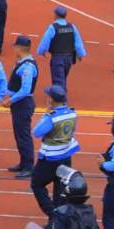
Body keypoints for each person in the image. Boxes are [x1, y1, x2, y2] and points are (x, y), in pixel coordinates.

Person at [30, 85, 80, 216]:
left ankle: (52, 214)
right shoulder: (72, 113)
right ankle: (60, 217)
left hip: (50, 158)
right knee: (60, 188)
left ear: (52, 100)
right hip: (66, 155)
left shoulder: (51, 117)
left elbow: (36, 132)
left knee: (37, 184)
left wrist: (46, 114)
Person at [3, 36, 38, 178]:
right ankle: (23, 163)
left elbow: (25, 89)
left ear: (19, 48)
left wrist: (10, 100)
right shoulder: (23, 63)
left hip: (23, 104)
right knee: (19, 134)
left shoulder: (27, 66)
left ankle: (28, 166)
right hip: (20, 103)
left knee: (23, 135)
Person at [36, 6, 86, 91]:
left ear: (55, 15)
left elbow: (45, 41)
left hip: (57, 58)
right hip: (69, 58)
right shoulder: (72, 26)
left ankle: (61, 100)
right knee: (63, 78)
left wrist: (41, 51)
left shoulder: (53, 27)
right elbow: (78, 42)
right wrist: (80, 54)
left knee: (58, 81)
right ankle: (60, 95)